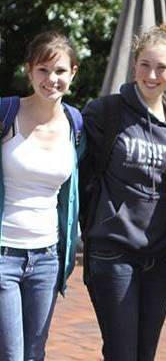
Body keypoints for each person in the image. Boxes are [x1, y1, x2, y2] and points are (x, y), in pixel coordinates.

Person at [82, 24, 166, 361]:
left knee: (145, 353)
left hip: (163, 254)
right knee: (121, 353)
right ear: (134, 64)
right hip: (114, 250)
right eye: (144, 64)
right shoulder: (105, 111)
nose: (151, 75)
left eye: (161, 67)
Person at [0, 31, 84, 361]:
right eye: (43, 70)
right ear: (29, 71)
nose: (52, 79)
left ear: (73, 73)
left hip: (48, 257)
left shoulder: (75, 124)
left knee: (35, 352)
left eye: (60, 71)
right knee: (12, 354)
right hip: (3, 252)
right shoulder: (7, 113)